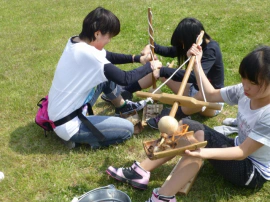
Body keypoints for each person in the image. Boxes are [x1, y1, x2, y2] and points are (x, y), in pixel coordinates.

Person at [107, 45, 270, 201]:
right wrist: (197, 63)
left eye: (254, 83)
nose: (246, 85)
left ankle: (163, 197)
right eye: (243, 78)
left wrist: (203, 152)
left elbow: (242, 152)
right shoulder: (244, 91)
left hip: (251, 172)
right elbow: (210, 94)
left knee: (197, 142)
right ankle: (141, 171)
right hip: (236, 147)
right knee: (186, 125)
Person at [48, 7, 162, 149]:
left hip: (60, 112)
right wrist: (150, 66)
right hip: (69, 124)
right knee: (128, 129)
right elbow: (124, 78)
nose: (109, 40)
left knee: (105, 78)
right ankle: (78, 141)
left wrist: (139, 59)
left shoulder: (75, 41)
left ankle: (123, 107)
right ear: (97, 33)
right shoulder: (91, 56)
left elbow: (107, 56)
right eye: (109, 36)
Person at [122, 17, 224, 129]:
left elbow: (194, 77)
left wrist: (162, 71)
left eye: (183, 43)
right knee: (157, 68)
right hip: (193, 91)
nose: (182, 47)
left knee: (202, 93)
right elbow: (172, 51)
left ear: (192, 38)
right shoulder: (194, 45)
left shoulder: (211, 50)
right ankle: (126, 91)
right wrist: (152, 47)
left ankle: (173, 114)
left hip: (210, 101)